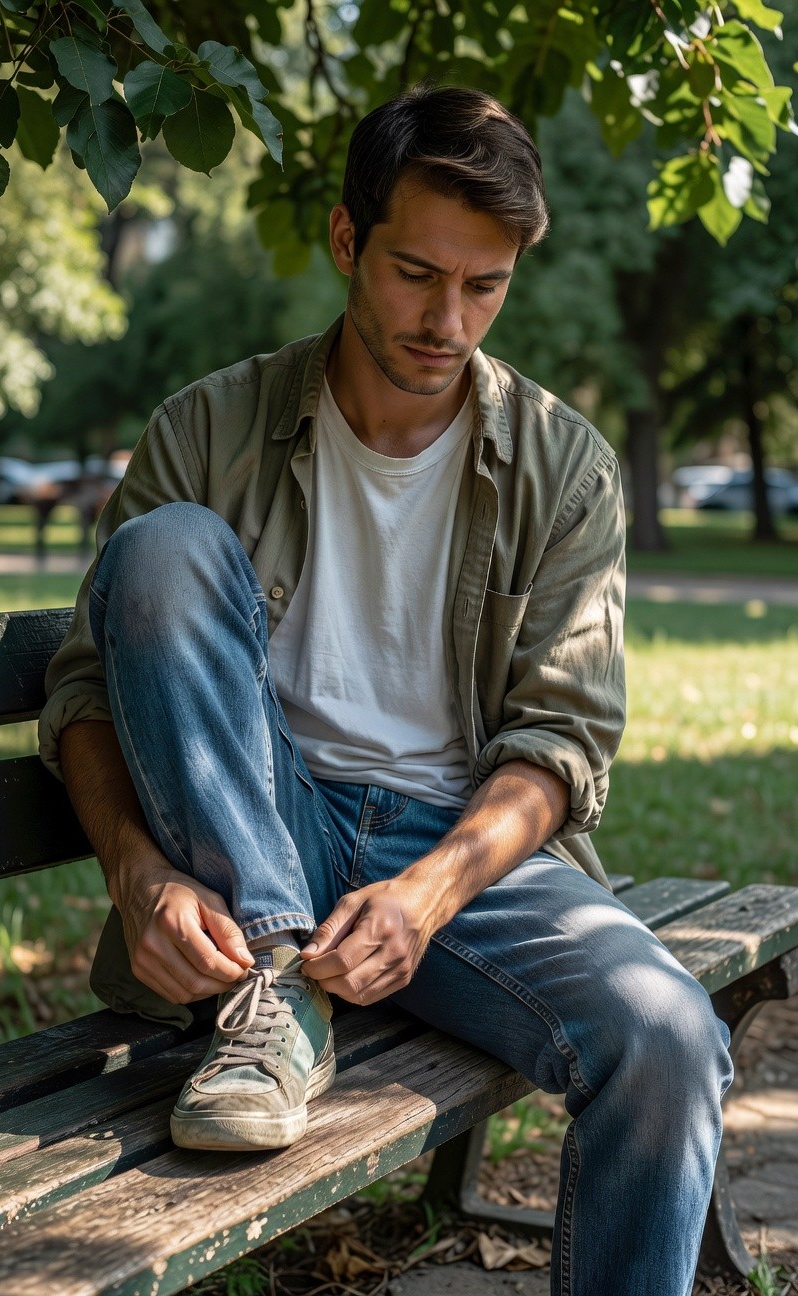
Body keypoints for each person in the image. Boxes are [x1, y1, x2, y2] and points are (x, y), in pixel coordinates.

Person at [40, 85, 732, 1295]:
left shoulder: (565, 467)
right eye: (418, 273)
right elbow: (87, 695)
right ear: (349, 241)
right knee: (161, 554)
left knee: (671, 1039)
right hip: (260, 825)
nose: (448, 320)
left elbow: (560, 744)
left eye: (485, 286)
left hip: (457, 859)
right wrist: (133, 867)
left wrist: (427, 891)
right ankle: (273, 984)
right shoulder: (208, 427)